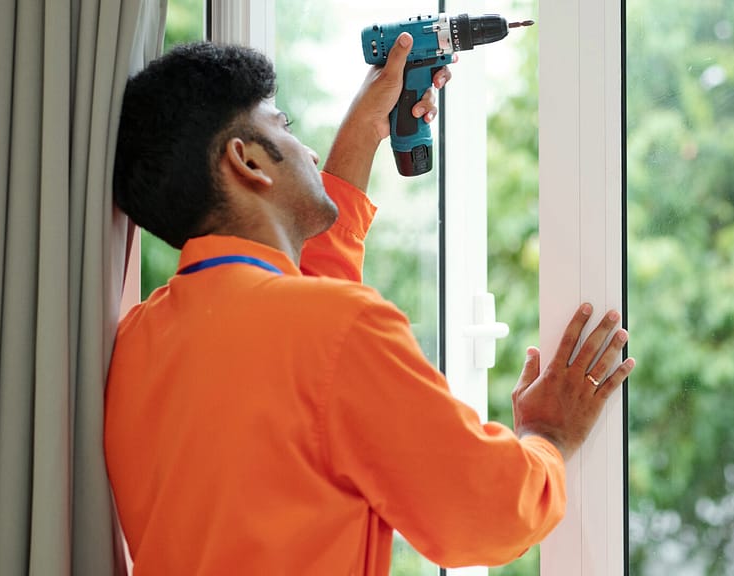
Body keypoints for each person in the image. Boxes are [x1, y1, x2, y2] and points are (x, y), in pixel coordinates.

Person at [105, 32, 636, 575]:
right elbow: (487, 515)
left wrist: (365, 127)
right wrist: (548, 435)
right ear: (247, 161)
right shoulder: (336, 330)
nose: (309, 151)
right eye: (284, 126)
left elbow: (296, 328)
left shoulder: (136, 342)